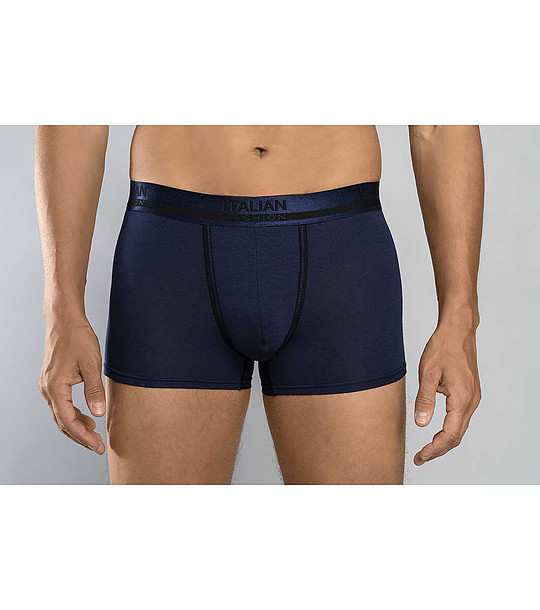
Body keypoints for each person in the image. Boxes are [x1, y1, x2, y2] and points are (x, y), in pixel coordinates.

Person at [35, 126, 483, 484]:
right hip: (172, 256)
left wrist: (460, 317)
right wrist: (61, 311)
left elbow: (439, 124)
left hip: (339, 254)